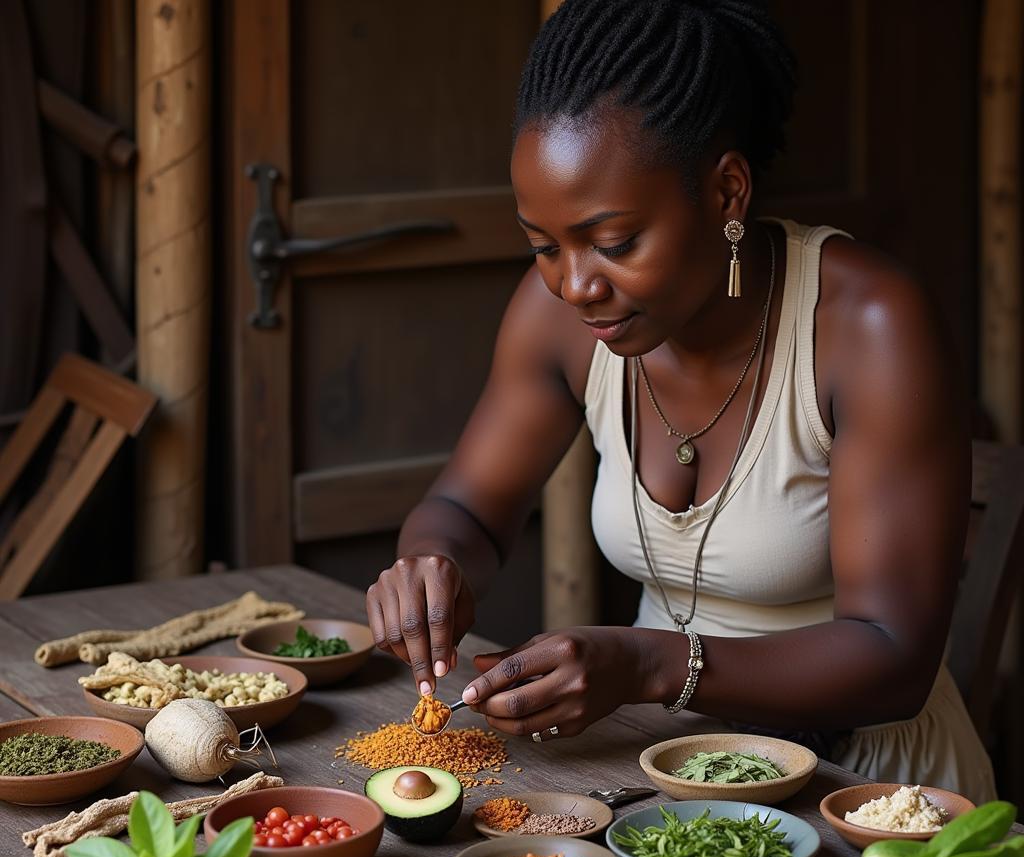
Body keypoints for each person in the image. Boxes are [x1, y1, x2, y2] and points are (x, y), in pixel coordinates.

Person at [366, 0, 996, 803]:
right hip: (664, 773)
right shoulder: (555, 314)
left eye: (615, 242)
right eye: (542, 246)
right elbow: (469, 508)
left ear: (727, 191)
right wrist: (433, 564)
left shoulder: (868, 327)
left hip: (869, 797)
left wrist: (649, 663)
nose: (576, 284)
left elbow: (894, 657)